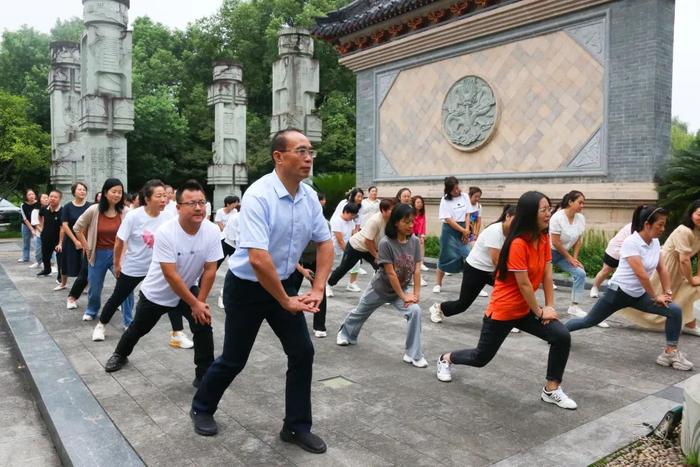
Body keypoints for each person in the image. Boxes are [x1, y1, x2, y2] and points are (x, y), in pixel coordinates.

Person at [191, 129, 333, 454]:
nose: (309, 157)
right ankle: (202, 407)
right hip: (248, 288)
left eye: (311, 151)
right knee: (234, 359)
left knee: (302, 352)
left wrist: (319, 287)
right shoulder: (259, 195)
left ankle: (296, 427)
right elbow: (257, 258)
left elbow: (325, 242)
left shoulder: (309, 197)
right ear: (279, 157)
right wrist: (285, 301)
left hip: (284, 284)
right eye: (301, 150)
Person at [436, 191, 577, 410]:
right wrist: (540, 312)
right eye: (544, 209)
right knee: (480, 358)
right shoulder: (518, 244)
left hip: (526, 309)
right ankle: (446, 358)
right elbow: (523, 285)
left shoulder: (543, 237)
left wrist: (549, 306)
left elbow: (547, 275)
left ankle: (551, 389)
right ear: (530, 213)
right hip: (504, 310)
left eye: (549, 208)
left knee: (561, 336)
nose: (549, 213)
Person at [104, 179, 222, 382]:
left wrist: (200, 303)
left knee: (203, 325)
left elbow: (211, 269)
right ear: (178, 207)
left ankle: (204, 374)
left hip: (187, 289)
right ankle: (120, 354)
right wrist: (194, 303)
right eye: (191, 203)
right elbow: (170, 275)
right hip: (158, 292)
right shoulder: (166, 232)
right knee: (139, 328)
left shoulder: (211, 230)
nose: (198, 208)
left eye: (201, 202)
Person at [566, 205, 693, 371]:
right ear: (647, 224)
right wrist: (656, 297)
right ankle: (558, 332)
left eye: (664, 224)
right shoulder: (631, 242)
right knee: (588, 321)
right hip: (617, 294)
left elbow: (662, 268)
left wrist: (668, 292)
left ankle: (670, 352)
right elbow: (642, 275)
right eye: (659, 225)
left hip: (638, 295)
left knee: (674, 310)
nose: (663, 228)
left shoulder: (654, 242)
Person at [91, 180, 193, 347]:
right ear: (147, 198)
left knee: (172, 297)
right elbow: (119, 241)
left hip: (160, 268)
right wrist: (117, 264)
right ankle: (101, 325)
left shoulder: (169, 216)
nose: (163, 199)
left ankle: (177, 334)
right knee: (119, 296)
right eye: (159, 196)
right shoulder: (133, 216)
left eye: (165, 196)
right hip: (135, 266)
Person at [336, 203, 428, 368]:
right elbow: (391, 273)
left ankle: (413, 354)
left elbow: (417, 269)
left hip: (402, 289)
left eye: (412, 221)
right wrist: (404, 296)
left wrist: (416, 294)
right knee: (360, 312)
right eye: (406, 222)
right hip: (380, 288)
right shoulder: (386, 243)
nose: (411, 225)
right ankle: (345, 334)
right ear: (395, 223)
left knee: (415, 311)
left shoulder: (414, 241)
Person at [618, 200, 700, 336]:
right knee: (659, 297)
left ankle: (689, 324)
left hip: (681, 268)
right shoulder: (684, 231)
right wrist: (691, 279)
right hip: (669, 265)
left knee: (687, 294)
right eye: (699, 214)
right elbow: (684, 259)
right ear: (691, 213)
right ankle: (621, 305)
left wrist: (698, 275)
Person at [430, 205, 517, 326]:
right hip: (476, 269)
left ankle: (503, 319)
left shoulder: (513, 234)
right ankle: (437, 308)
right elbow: (496, 260)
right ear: (507, 216)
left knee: (509, 290)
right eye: (515, 220)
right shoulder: (495, 231)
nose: (517, 224)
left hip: (490, 270)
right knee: (462, 304)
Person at [74, 178, 130, 322]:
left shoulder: (126, 211)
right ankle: (92, 310)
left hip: (118, 254)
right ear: (105, 192)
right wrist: (87, 247)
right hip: (97, 253)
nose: (117, 195)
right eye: (114, 191)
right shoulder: (94, 210)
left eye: (120, 192)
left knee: (125, 286)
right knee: (95, 287)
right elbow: (77, 228)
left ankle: (128, 319)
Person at [326, 198, 395, 296]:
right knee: (344, 268)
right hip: (356, 246)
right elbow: (367, 241)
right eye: (392, 209)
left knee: (382, 268)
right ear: (383, 210)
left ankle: (379, 291)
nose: (394, 212)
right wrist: (376, 255)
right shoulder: (375, 220)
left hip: (369, 247)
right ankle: (328, 285)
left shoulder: (392, 220)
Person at [549, 191, 600, 323]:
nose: (582, 206)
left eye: (583, 203)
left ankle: (574, 306)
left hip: (563, 254)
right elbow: (555, 242)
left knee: (580, 273)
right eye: (580, 202)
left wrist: (574, 258)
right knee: (537, 280)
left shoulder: (580, 218)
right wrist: (569, 257)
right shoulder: (557, 217)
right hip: (547, 252)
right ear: (570, 202)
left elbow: (578, 239)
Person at [433, 177, 475, 293]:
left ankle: (473, 285)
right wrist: (463, 231)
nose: (456, 191)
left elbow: (468, 214)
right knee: (445, 257)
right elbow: (448, 219)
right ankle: (438, 284)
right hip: (449, 231)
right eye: (453, 190)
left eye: (457, 187)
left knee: (470, 257)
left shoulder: (465, 196)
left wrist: (466, 230)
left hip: (464, 228)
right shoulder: (444, 200)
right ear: (448, 190)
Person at [331, 187, 366, 288]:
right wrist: (348, 251)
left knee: (356, 262)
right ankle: (328, 285)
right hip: (337, 243)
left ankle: (352, 283)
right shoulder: (338, 218)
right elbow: (340, 239)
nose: (360, 199)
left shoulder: (351, 220)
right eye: (358, 196)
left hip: (346, 241)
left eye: (362, 197)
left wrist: (355, 243)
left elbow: (355, 228)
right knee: (333, 267)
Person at [62, 182, 91, 301]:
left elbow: (91, 225)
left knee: (86, 264)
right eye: (80, 189)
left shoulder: (90, 206)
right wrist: (75, 240)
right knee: (69, 262)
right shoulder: (67, 206)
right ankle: (64, 283)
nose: (82, 191)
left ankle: (86, 285)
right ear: (74, 192)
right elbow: (65, 224)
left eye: (84, 189)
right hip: (71, 239)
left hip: (86, 239)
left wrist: (84, 241)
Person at [590, 222, 633, 298]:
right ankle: (595, 288)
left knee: (623, 274)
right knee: (606, 270)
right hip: (615, 250)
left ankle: (614, 292)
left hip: (628, 253)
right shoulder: (634, 226)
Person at [214, 195, 241, 308]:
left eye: (237, 203)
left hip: (234, 242)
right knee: (216, 264)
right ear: (228, 204)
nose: (235, 205)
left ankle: (230, 291)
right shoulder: (221, 211)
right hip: (224, 239)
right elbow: (221, 227)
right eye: (234, 203)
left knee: (235, 266)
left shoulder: (235, 212)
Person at [36, 190, 63, 280]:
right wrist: (41, 227)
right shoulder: (44, 209)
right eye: (51, 196)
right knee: (45, 256)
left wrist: (60, 242)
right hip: (46, 236)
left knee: (60, 259)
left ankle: (60, 276)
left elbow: (63, 228)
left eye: (55, 197)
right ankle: (47, 269)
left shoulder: (62, 211)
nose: (52, 198)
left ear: (60, 199)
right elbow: (39, 216)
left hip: (57, 238)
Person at [19, 189, 40, 265]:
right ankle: (25, 257)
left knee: (37, 241)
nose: (32, 196)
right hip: (26, 225)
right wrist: (31, 229)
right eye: (29, 195)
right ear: (26, 197)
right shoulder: (23, 205)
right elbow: (25, 219)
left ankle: (38, 259)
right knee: (26, 241)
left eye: (33, 194)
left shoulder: (38, 203)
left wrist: (36, 228)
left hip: (37, 224)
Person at [411, 195, 429, 282]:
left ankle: (421, 262)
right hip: (411, 234)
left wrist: (423, 235)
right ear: (414, 203)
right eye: (418, 202)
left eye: (421, 202)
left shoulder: (422, 214)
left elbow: (423, 224)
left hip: (418, 234)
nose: (420, 204)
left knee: (421, 243)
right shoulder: (411, 213)